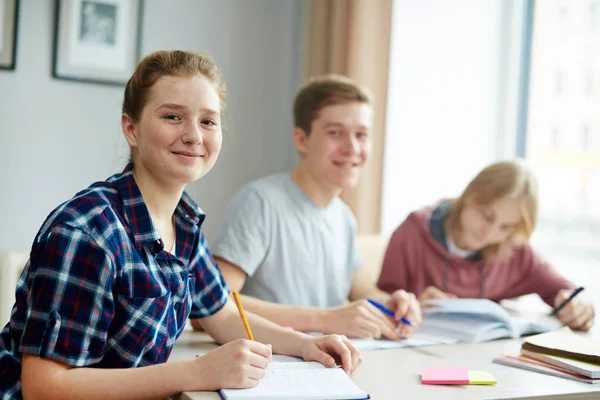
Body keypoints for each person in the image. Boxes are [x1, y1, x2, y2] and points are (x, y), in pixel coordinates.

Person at [0, 50, 360, 400]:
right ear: (132, 128)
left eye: (208, 121)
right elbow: (44, 388)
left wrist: (306, 344)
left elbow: (221, 313)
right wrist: (197, 373)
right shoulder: (86, 232)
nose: (194, 135)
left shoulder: (184, 223)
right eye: (173, 117)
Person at [203, 75, 421, 341]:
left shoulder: (343, 216)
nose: (352, 147)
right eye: (335, 132)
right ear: (301, 140)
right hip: (270, 362)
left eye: (361, 135)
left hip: (325, 361)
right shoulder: (260, 203)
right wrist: (325, 319)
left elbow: (361, 291)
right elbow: (211, 306)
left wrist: (393, 304)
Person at [377, 159, 595, 331]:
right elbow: (379, 302)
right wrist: (411, 306)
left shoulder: (514, 250)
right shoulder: (412, 233)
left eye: (505, 226)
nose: (490, 233)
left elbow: (567, 291)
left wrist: (579, 308)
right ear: (469, 196)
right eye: (487, 216)